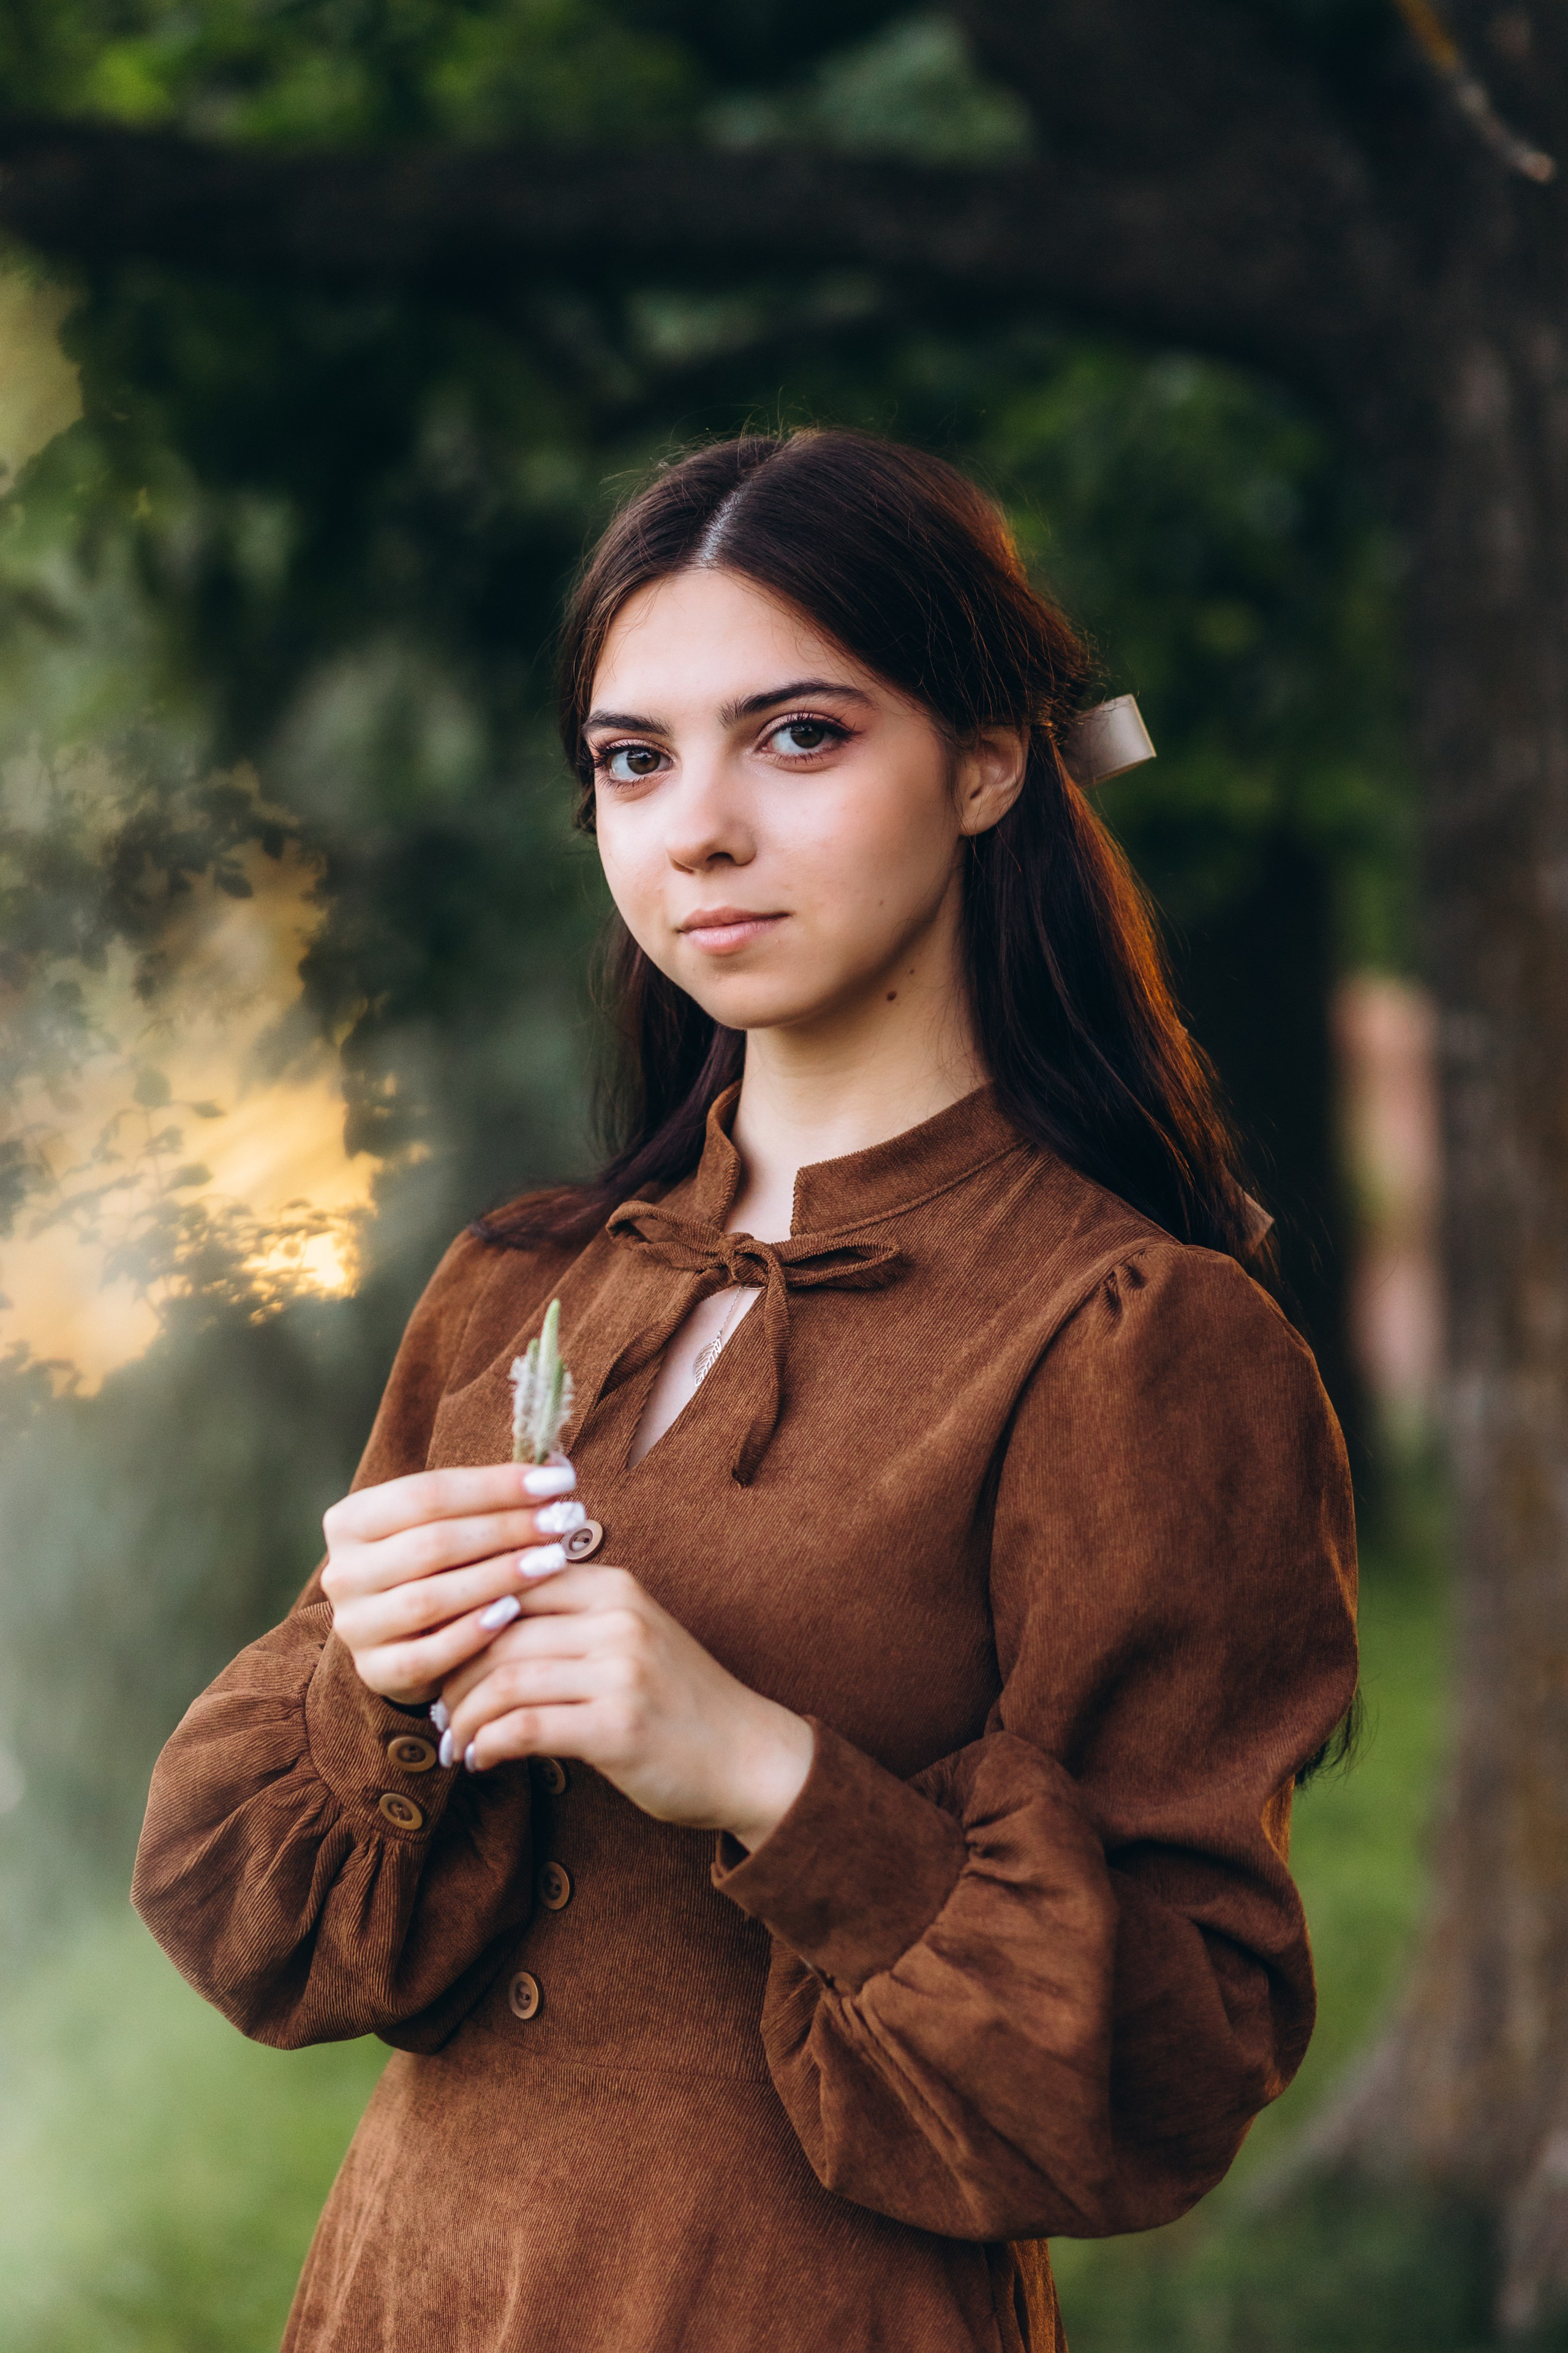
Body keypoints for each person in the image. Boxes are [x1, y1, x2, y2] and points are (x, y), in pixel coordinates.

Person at [133, 429, 1358, 2353]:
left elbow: (1170, 2069)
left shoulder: (1134, 1338)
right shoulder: (521, 1284)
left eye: (796, 735)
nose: (695, 827)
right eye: (635, 758)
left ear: (985, 761)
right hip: (418, 2292)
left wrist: (766, 1775)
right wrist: (362, 1679)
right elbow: (255, 1933)